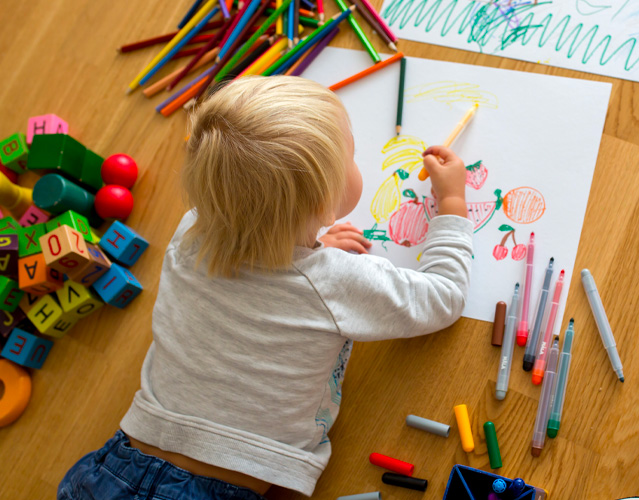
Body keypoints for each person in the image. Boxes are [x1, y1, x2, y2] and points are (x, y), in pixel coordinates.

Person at [58, 76, 473, 499]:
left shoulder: (190, 235)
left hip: (112, 470)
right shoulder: (335, 280)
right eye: (353, 154)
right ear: (323, 205)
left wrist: (308, 241)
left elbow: (261, 246)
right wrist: (453, 203)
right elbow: (444, 297)